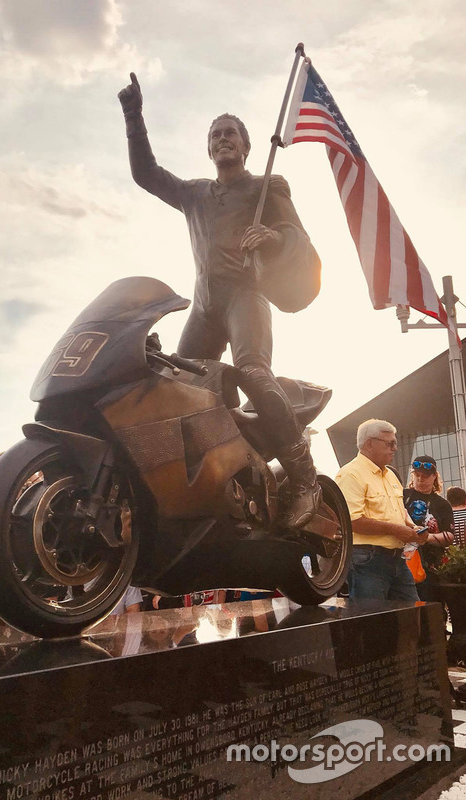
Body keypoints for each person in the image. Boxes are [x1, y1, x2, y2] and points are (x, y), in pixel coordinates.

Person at [118, 73, 322, 528]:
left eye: (230, 133)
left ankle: (303, 475)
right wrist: (134, 118)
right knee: (170, 386)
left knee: (252, 370)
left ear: (245, 146)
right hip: (204, 306)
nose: (222, 139)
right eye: (215, 135)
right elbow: (146, 174)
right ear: (209, 149)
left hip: (244, 298)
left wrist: (271, 236)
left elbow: (298, 237)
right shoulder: (194, 194)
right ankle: (191, 480)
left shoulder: (267, 186)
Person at [335, 419, 428, 601]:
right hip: (367, 561)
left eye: (395, 443)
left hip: (397, 560)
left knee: (412, 617)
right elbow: (351, 521)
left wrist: (413, 530)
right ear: (370, 443)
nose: (395, 448)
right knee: (373, 622)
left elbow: (399, 514)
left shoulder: (390, 475)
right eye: (390, 443)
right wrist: (395, 530)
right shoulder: (350, 474)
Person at [403, 456, 454, 600]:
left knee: (432, 608)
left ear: (434, 477)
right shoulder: (402, 496)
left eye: (425, 476)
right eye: (417, 475)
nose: (420, 479)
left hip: (431, 566)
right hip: (403, 563)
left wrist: (425, 538)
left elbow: (449, 536)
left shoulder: (442, 504)